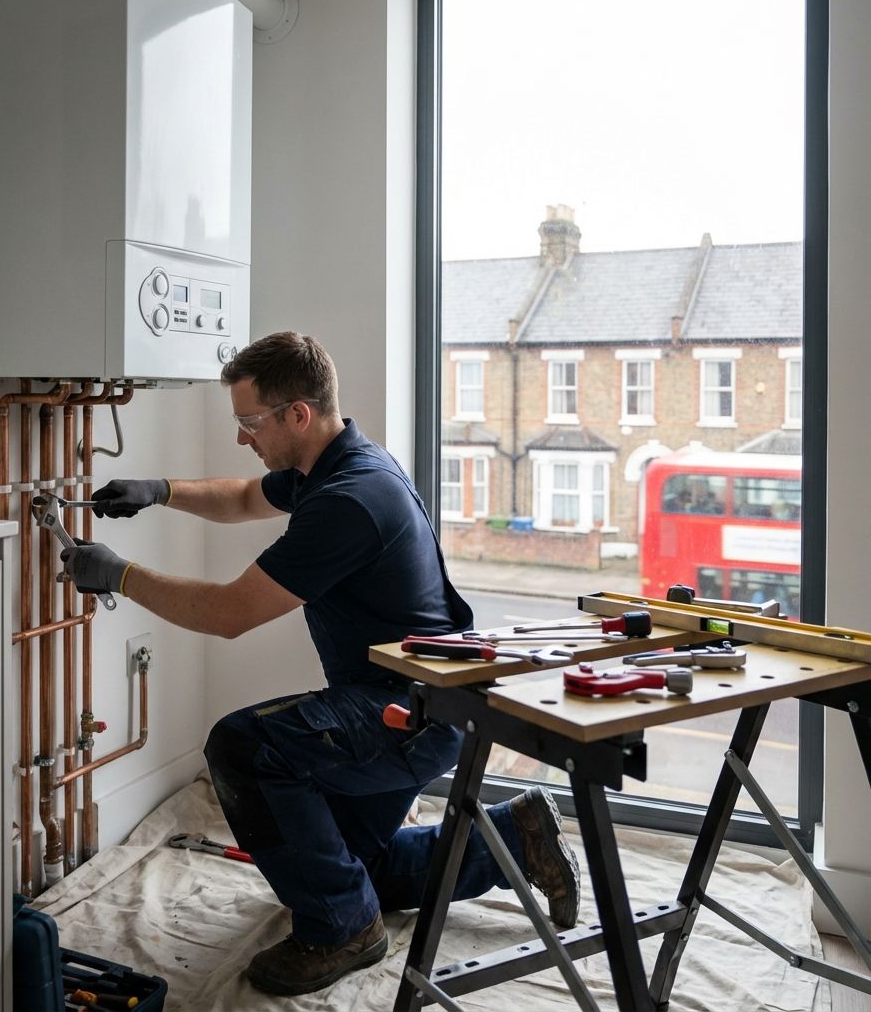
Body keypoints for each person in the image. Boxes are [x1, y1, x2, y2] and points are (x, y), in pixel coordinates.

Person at [60, 331, 580, 997]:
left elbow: (229, 614)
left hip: (412, 710)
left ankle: (342, 932)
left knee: (243, 748)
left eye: (250, 422)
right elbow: (245, 497)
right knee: (351, 868)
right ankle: (514, 836)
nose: (244, 437)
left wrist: (119, 574)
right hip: (418, 700)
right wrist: (158, 489)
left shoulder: (349, 499)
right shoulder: (331, 466)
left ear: (297, 415)